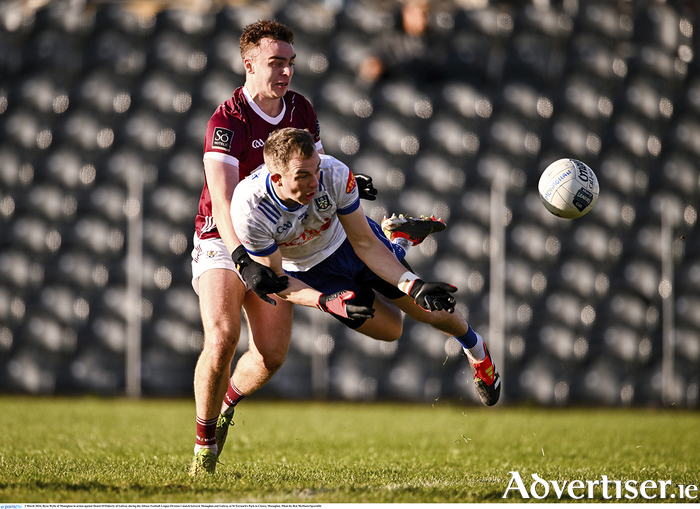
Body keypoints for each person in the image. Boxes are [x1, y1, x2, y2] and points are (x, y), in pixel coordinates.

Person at [188, 20, 380, 476]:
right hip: (222, 239)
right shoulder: (227, 120)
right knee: (221, 338)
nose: (286, 72)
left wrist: (345, 183)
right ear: (249, 64)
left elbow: (317, 172)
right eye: (276, 63)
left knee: (271, 355)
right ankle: (204, 448)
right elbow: (223, 200)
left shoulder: (302, 110)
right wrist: (240, 259)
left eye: (290, 63)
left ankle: (228, 402)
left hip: (277, 241)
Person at [231, 128, 501, 413]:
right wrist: (324, 302)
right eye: (302, 176)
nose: (314, 182)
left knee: (427, 310)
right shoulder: (251, 211)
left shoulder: (334, 173)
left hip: (350, 244)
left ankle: (478, 352)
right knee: (391, 330)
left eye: (316, 171)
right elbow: (279, 282)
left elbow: (365, 243)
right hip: (312, 272)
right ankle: (399, 239)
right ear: (276, 179)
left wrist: (414, 285)